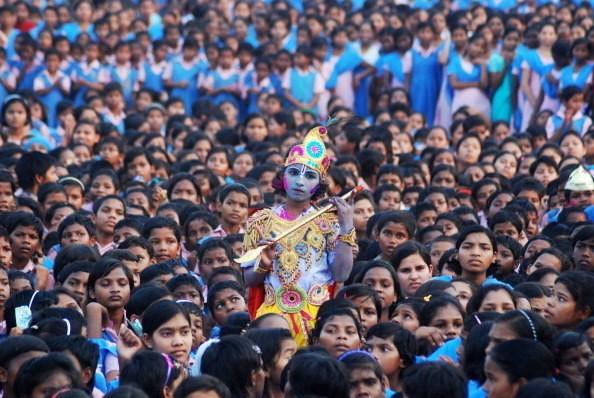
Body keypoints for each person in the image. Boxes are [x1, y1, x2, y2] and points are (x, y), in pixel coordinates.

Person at [242, 124, 355, 345]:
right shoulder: (260, 220)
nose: (300, 182)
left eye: (310, 176)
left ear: (319, 184)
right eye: (293, 173)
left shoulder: (330, 222)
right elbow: (249, 280)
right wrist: (263, 263)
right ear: (282, 176)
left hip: (317, 320)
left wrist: (346, 227)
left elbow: (341, 274)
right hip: (272, 320)